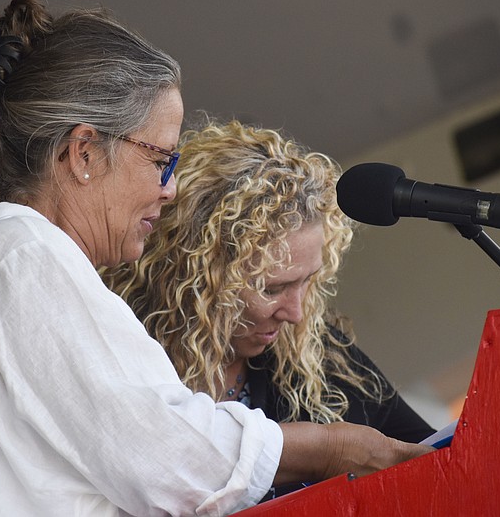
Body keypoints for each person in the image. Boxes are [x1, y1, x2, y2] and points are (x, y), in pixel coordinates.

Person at [0, 0, 432, 516]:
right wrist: (329, 447)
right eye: (161, 160)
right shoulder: (17, 258)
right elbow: (166, 456)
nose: (169, 188)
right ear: (83, 153)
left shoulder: (5, 260)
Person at [104, 119, 436, 498]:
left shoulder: (321, 353)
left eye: (307, 280)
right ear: (196, 276)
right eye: (272, 287)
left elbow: (432, 456)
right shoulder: (125, 356)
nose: (295, 312)